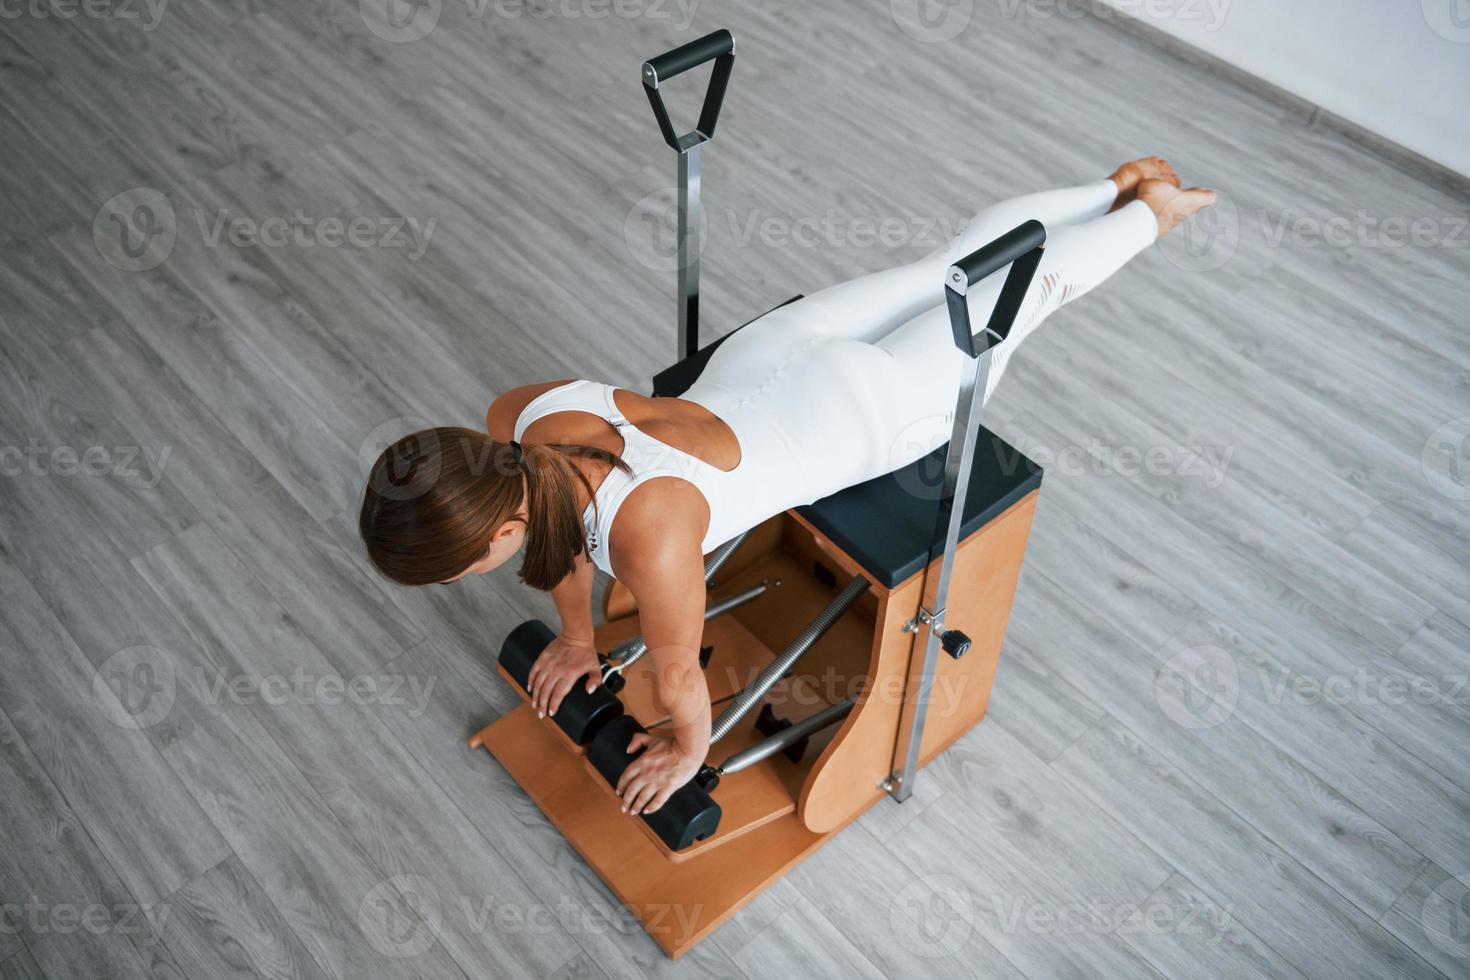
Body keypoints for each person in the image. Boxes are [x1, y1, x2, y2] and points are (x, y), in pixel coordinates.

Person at [359, 158, 1215, 816]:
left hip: (868, 417)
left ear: (495, 536)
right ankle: (1111, 185)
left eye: (455, 570)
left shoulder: (647, 539)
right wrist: (577, 637)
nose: (458, 583)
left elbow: (679, 677)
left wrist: (690, 753)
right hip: (775, 358)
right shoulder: (517, 418)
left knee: (1022, 299)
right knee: (952, 263)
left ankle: (1149, 213)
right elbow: (553, 538)